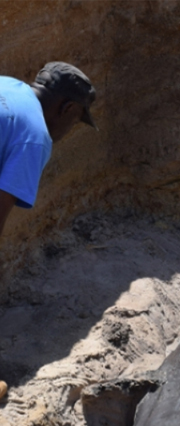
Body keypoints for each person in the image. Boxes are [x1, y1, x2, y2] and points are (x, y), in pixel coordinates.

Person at [0, 61, 98, 402]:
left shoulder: (7, 87)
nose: (71, 128)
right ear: (67, 108)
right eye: (76, 119)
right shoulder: (35, 135)